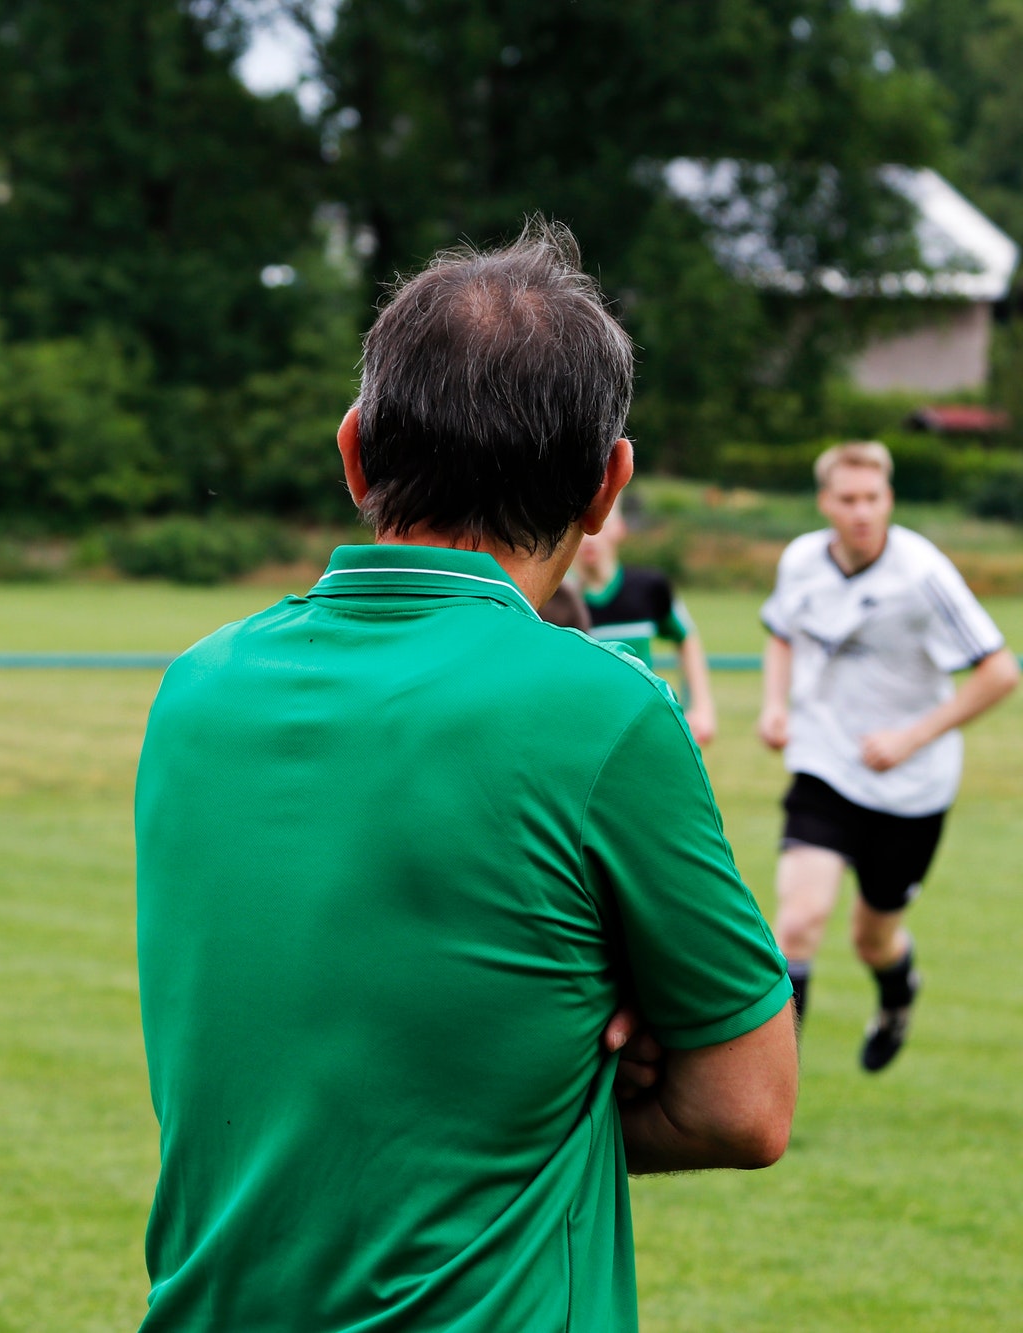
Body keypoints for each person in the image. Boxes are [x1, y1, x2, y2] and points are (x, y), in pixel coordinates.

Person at [135, 223, 797, 1332]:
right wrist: (560, 1087)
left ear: (352, 452)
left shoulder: (192, 690)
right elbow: (745, 1106)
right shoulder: (604, 709)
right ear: (603, 491)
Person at [757, 441, 1016, 1071]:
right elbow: (782, 633)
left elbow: (1000, 672)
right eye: (848, 499)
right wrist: (775, 704)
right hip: (824, 763)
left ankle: (898, 996)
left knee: (872, 939)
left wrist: (912, 737)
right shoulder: (801, 561)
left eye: (873, 498)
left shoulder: (922, 574)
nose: (861, 511)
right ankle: (772, 1085)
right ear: (826, 503)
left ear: (889, 500)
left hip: (911, 787)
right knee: (797, 924)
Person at [576, 501, 719, 744]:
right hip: (583, 734)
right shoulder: (556, 599)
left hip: (641, 730)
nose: (590, 538)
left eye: (600, 522)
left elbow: (686, 637)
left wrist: (703, 707)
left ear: (619, 528)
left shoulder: (650, 587)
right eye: (578, 524)